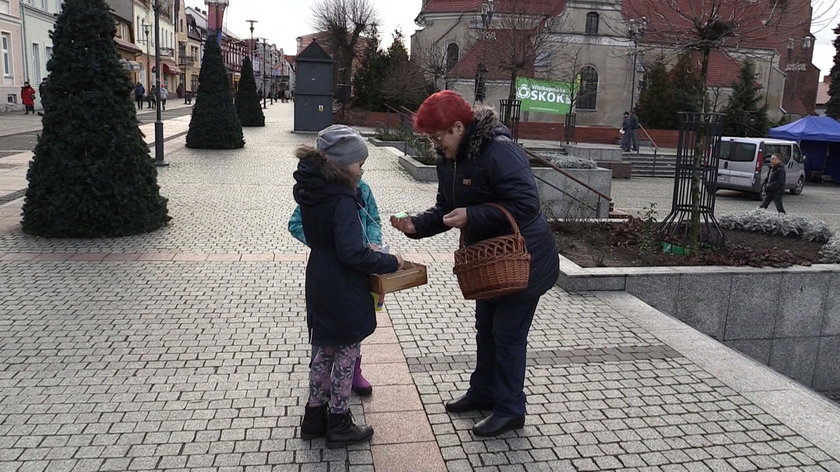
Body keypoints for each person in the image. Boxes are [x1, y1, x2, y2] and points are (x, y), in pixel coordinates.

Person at [390, 90, 559, 437]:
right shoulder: (448, 160)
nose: (436, 145)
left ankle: (511, 408)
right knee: (486, 330)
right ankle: (483, 392)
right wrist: (417, 225)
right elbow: (445, 209)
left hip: (524, 258)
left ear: (457, 127)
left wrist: (473, 215)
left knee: (508, 335)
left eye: (438, 138)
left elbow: (527, 204)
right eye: (431, 139)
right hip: (489, 261)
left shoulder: (498, 151)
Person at [294, 124, 404, 448]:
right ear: (342, 163)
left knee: (323, 353)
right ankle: (339, 422)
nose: (362, 168)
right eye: (359, 162)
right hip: (342, 286)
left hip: (319, 279)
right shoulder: (341, 200)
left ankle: (313, 417)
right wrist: (390, 262)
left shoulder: (314, 192)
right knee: (345, 355)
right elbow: (352, 253)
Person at [288, 175, 385, 397]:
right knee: (327, 325)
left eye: (363, 165)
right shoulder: (318, 192)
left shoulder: (363, 188)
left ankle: (353, 370)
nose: (361, 170)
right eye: (358, 164)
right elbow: (295, 224)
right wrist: (328, 244)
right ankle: (321, 374)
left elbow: (373, 220)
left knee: (356, 322)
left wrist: (374, 244)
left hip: (361, 266)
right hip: (331, 272)